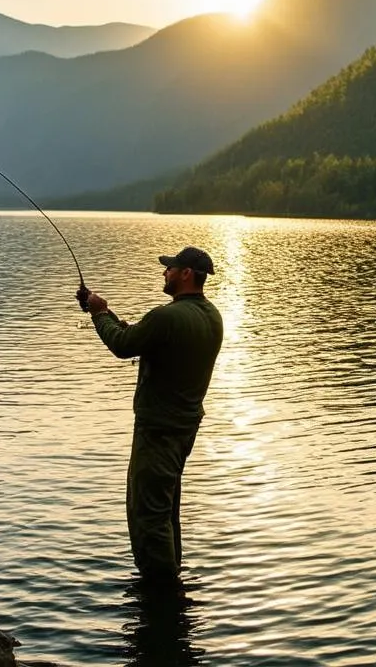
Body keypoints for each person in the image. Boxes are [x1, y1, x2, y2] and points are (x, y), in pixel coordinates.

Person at [77, 246, 223, 582]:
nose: (165, 272)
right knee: (167, 509)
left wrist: (99, 313)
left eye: (171, 268)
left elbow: (124, 345)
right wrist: (101, 311)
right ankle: (172, 581)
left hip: (157, 430)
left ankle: (161, 594)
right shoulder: (211, 316)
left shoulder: (167, 316)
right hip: (184, 430)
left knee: (149, 515)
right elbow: (142, 338)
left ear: (186, 274)